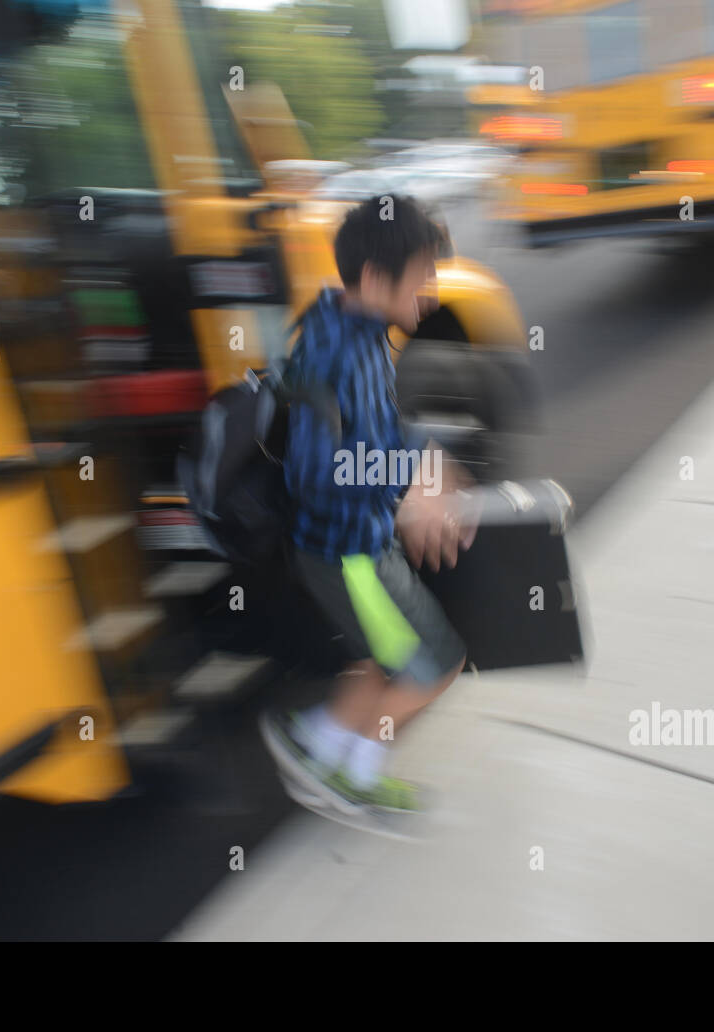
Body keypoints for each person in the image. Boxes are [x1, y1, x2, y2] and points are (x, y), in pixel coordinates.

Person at [260, 194, 475, 817]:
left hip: (342, 548)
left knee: (376, 660)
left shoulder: (342, 326)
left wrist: (418, 463)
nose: (431, 292)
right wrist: (414, 475)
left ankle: (316, 746)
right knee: (435, 663)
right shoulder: (345, 355)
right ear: (377, 279)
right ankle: (354, 773)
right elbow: (319, 468)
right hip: (351, 554)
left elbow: (369, 436)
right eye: (423, 277)